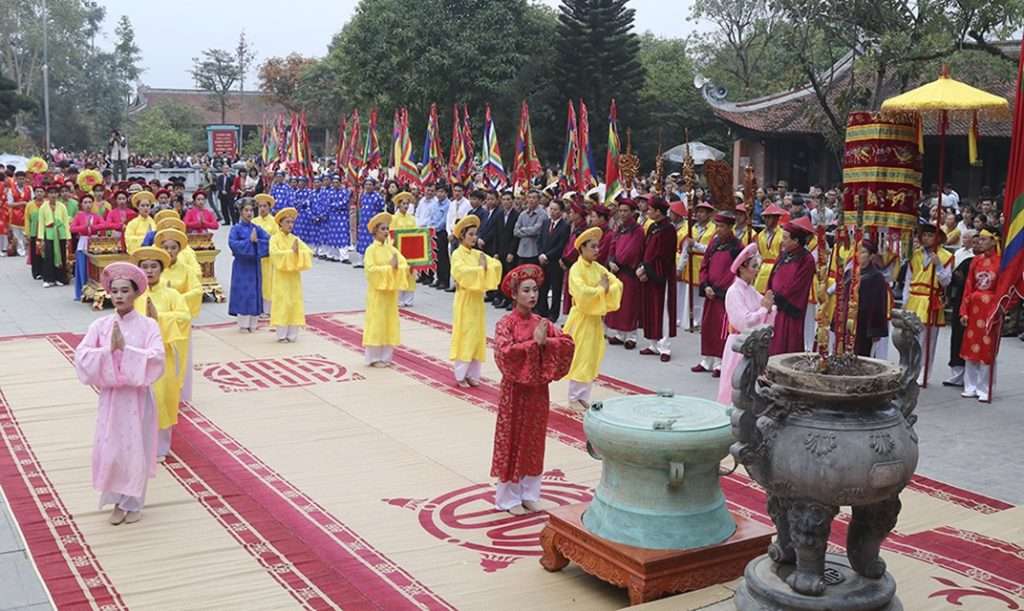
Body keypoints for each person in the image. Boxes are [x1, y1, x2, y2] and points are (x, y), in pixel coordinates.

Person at [74, 262, 164, 525]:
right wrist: (107, 351)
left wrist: (127, 351)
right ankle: (115, 499)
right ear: (109, 294)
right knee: (111, 448)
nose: (120, 296)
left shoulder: (148, 326)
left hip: (137, 398)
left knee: (136, 447)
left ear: (135, 294)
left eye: (125, 291)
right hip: (112, 399)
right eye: (115, 291)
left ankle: (133, 501)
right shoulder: (100, 325)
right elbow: (81, 356)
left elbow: (157, 357)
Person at [490, 264, 575, 514]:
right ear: (514, 294)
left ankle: (529, 492)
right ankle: (508, 497)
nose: (532, 295)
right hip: (515, 393)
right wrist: (532, 345)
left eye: (535, 290)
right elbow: (504, 354)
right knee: (513, 439)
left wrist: (546, 342)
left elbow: (567, 343)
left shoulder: (542, 323)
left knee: (534, 440)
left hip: (538, 391)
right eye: (526, 290)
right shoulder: (506, 324)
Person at [131, 247, 190, 462]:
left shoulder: (172, 294)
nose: (149, 271)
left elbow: (184, 318)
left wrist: (159, 317)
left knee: (163, 398)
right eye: (145, 267)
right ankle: (140, 443)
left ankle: (161, 447)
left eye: (153, 266)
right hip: (138, 355)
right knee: (140, 400)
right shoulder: (133, 295)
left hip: (162, 355)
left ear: (161, 269)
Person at [563, 227, 622, 410]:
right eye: (593, 247)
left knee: (592, 356)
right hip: (581, 319)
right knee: (580, 356)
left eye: (598, 246)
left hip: (595, 320)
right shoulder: (576, 269)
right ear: (582, 248)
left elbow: (617, 284)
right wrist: (601, 290)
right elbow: (581, 293)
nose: (597, 250)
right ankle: (574, 397)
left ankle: (583, 396)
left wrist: (601, 289)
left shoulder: (598, 268)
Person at [716, 243, 775, 404]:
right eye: (754, 266)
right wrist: (764, 310)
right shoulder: (734, 291)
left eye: (757, 266)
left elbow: (766, 308)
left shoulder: (750, 290)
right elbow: (744, 322)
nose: (757, 270)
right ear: (742, 268)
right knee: (734, 385)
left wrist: (770, 308)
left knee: (749, 387)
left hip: (751, 345)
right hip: (738, 345)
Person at [450, 215, 502, 387]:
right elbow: (461, 272)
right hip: (465, 300)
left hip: (477, 301)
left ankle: (473, 374)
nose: (474, 238)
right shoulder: (458, 255)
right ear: (462, 236)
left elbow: (496, 265)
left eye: (475, 234)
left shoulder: (478, 254)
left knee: (476, 335)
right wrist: (481, 270)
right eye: (470, 234)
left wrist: (483, 268)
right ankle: (460, 375)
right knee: (465, 334)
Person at [155, 228, 203, 404]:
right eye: (165, 247)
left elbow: (197, 290)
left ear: (179, 249)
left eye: (173, 247)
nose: (169, 251)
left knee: (180, 356)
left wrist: (178, 298)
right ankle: (160, 392)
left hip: (179, 319)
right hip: (158, 319)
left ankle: (181, 393)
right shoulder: (155, 268)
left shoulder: (186, 270)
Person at [903, 222, 953, 386]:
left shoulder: (945, 256)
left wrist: (938, 264)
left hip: (931, 299)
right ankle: (909, 368)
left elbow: (946, 281)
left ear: (938, 238)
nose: (926, 238)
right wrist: (905, 302)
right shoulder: (915, 254)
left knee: (928, 340)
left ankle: (924, 372)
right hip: (914, 299)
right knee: (911, 338)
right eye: (924, 235)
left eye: (930, 235)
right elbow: (908, 280)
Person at [694, 211, 742, 376]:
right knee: (708, 326)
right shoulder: (713, 244)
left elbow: (735, 271)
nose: (718, 229)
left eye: (721, 226)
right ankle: (707, 360)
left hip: (723, 295)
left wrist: (720, 289)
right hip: (710, 292)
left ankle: (721, 363)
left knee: (722, 329)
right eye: (717, 226)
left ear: (730, 227)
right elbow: (704, 265)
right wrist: (705, 284)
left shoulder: (737, 247)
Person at [362, 212, 411, 367]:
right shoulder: (371, 250)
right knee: (377, 322)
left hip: (390, 294)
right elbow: (370, 270)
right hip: (377, 293)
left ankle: (386, 357)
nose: (385, 232)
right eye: (383, 229)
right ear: (375, 231)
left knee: (389, 322)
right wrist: (390, 269)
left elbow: (404, 264)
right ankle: (374, 357)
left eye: (387, 229)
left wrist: (396, 268)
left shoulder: (392, 249)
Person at [958, 229, 1000, 402]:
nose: (980, 242)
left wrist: (1000, 308)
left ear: (993, 241)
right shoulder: (975, 261)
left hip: (990, 308)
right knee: (970, 346)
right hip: (974, 307)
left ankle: (984, 387)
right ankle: (970, 385)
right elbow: (968, 286)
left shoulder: (1001, 263)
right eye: (979, 239)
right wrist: (964, 310)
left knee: (986, 347)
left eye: (984, 240)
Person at [767, 215, 816, 356]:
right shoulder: (784, 254)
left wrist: (779, 298)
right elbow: (773, 274)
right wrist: (769, 293)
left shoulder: (807, 259)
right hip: (776, 304)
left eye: (786, 238)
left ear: (796, 240)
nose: (782, 241)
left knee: (788, 343)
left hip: (789, 307)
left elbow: (798, 285)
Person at [638, 197, 678, 362]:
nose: (648, 212)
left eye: (650, 209)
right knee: (651, 308)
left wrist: (650, 270)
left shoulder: (669, 230)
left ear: (658, 212)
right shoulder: (653, 227)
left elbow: (665, 256)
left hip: (662, 274)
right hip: (649, 272)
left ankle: (665, 347)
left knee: (663, 310)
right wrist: (642, 266)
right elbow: (646, 249)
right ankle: (653, 343)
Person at [269, 207, 314, 342]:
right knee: (283, 303)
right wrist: (291, 253)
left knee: (294, 302)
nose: (290, 225)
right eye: (287, 222)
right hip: (281, 278)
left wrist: (298, 253)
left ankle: (293, 333)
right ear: (280, 224)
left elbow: (308, 252)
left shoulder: (295, 239)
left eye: (292, 222)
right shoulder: (274, 239)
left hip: (294, 277)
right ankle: (281, 334)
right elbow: (275, 255)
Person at [605, 199, 645, 348]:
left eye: (625, 211)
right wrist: (611, 261)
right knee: (618, 302)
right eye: (620, 211)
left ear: (633, 212)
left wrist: (619, 262)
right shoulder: (619, 228)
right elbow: (612, 246)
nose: (622, 213)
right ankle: (619, 334)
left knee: (630, 304)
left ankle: (632, 336)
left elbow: (632, 250)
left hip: (629, 271)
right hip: (616, 270)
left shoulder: (638, 230)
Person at [228, 199, 271, 333]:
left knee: (254, 292)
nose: (249, 213)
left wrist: (257, 241)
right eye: (246, 210)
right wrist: (249, 242)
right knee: (243, 292)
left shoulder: (256, 228)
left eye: (251, 210)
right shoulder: (236, 228)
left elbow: (269, 240)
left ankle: (253, 323)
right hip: (241, 265)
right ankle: (243, 324)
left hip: (254, 265)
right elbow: (233, 244)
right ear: (241, 212)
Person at [945, 233, 976, 387]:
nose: (977, 245)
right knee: (957, 337)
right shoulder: (967, 261)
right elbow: (955, 278)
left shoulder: (994, 263)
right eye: (975, 242)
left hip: (979, 306)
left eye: (981, 241)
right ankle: (957, 374)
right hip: (961, 303)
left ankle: (974, 379)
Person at [680, 201, 714, 328]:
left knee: (702, 295)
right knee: (691, 295)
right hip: (691, 262)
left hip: (704, 263)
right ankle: (690, 320)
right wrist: (680, 267)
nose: (699, 215)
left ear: (709, 214)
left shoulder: (714, 229)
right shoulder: (692, 228)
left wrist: (696, 245)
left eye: (702, 212)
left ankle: (701, 321)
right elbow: (685, 247)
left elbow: (711, 248)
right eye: (697, 212)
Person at [69, 194, 108, 300]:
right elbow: (72, 228)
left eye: (90, 202)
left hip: (94, 242)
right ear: (81, 205)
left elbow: (104, 225)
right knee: (82, 268)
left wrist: (93, 227)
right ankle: (82, 292)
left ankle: (93, 291)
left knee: (93, 269)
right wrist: (84, 227)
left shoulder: (96, 216)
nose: (88, 205)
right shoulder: (79, 216)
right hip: (83, 242)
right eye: (85, 202)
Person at [537, 199, 570, 321]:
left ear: (561, 211)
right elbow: (539, 240)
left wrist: (547, 256)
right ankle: (542, 311)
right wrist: (540, 254)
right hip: (542, 260)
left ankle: (553, 313)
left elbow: (561, 245)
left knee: (556, 289)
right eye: (551, 209)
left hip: (555, 262)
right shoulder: (545, 222)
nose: (552, 212)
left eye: (555, 209)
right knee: (542, 287)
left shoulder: (565, 226)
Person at [36, 184, 71, 288]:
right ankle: (48, 279)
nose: (53, 195)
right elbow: (41, 222)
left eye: (55, 193)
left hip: (60, 234)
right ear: (47, 195)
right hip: (49, 234)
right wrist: (41, 238)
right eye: (51, 193)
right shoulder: (43, 207)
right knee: (48, 257)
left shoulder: (62, 206)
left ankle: (60, 278)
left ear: (58, 194)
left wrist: (68, 237)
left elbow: (65, 222)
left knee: (61, 256)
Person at [252, 194, 280, 316]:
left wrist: (261, 241)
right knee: (257, 282)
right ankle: (257, 308)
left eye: (264, 206)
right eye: (260, 206)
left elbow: (276, 239)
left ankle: (268, 309)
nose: (262, 209)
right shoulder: (253, 222)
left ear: (269, 208)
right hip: (256, 258)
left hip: (268, 258)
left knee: (268, 283)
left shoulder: (274, 222)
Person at [754, 204, 787, 292]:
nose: (766, 220)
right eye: (765, 217)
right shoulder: (760, 235)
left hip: (776, 269)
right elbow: (758, 254)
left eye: (769, 217)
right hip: (762, 269)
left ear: (777, 218)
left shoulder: (783, 235)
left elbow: (784, 255)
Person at [353, 178, 384, 268]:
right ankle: (361, 261)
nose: (368, 186)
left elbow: (381, 211)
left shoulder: (378, 197)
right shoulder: (363, 196)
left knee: (372, 243)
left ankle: (371, 262)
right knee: (362, 242)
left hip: (373, 224)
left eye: (370, 184)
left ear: (374, 186)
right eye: (366, 184)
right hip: (363, 223)